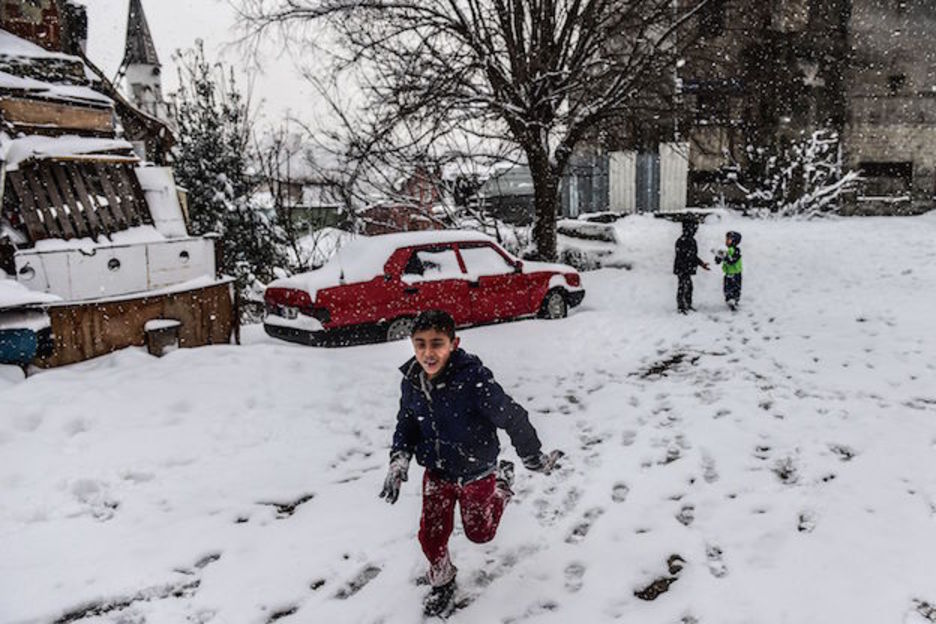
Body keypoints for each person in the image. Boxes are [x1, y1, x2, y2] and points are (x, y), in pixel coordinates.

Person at [379, 309, 562, 617]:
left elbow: (513, 416)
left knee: (481, 533)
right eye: (420, 344)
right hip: (437, 472)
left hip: (478, 471)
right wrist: (399, 459)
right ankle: (444, 581)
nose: (427, 352)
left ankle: (502, 485)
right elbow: (407, 423)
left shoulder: (473, 380)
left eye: (436, 343)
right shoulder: (411, 381)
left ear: (453, 343)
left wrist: (532, 456)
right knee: (431, 535)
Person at [673, 219, 710, 314]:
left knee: (688, 287)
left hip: (686, 268)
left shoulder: (691, 240)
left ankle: (687, 304)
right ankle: (681, 306)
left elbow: (693, 256)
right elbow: (686, 256)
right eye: (694, 228)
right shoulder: (683, 241)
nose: (696, 230)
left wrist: (701, 264)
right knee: (683, 286)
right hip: (683, 269)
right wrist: (688, 265)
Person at [715, 230, 743, 310]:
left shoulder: (736, 250)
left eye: (729, 239)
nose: (726, 241)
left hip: (736, 273)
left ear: (735, 241)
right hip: (727, 273)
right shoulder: (725, 249)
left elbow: (732, 261)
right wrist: (718, 257)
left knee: (735, 287)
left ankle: (735, 300)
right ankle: (729, 299)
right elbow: (719, 259)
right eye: (726, 239)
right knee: (727, 287)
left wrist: (725, 257)